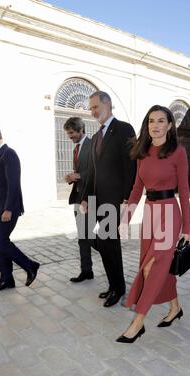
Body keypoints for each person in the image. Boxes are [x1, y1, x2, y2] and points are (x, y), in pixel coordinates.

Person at [116, 105, 190, 343]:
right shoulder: (143, 152)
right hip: (150, 214)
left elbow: (185, 191)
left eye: (161, 120)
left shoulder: (178, 152)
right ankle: (175, 308)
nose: (156, 125)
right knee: (160, 268)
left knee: (151, 268)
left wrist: (187, 227)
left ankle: (137, 323)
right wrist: (126, 218)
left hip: (170, 213)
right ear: (147, 125)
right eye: (151, 121)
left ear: (170, 125)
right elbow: (137, 189)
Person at [81, 91, 136, 307]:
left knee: (109, 243)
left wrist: (126, 199)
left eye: (96, 107)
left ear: (108, 104)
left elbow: (131, 165)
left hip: (116, 200)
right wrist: (86, 197)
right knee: (99, 241)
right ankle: (114, 285)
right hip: (98, 199)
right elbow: (93, 172)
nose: (93, 112)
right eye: (91, 108)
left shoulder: (124, 130)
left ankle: (118, 287)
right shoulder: (95, 138)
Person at [0, 124, 40, 292]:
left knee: (2, 242)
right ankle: (6, 279)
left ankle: (30, 266)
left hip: (7, 210)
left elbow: (13, 185)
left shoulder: (9, 154)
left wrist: (8, 209)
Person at [64, 117, 94, 283]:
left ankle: (101, 266)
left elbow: (97, 172)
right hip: (78, 195)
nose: (71, 137)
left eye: (72, 134)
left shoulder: (92, 146)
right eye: (68, 135)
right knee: (83, 236)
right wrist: (71, 177)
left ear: (81, 129)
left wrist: (79, 175)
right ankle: (86, 270)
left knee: (90, 236)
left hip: (89, 198)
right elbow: (81, 171)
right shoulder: (77, 148)